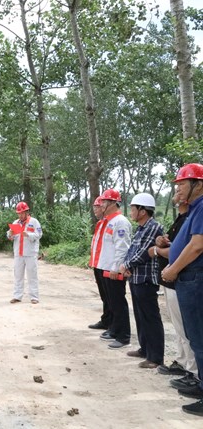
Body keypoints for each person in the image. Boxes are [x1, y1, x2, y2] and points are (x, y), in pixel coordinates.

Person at [162, 163, 203, 416]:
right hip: (189, 278)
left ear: (198, 185)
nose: (178, 189)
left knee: (199, 336)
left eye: (182, 184)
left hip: (194, 277)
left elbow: (197, 245)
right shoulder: (195, 209)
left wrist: (173, 268)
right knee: (194, 335)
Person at [153, 197, 197, 383]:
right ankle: (182, 362)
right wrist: (160, 242)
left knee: (187, 329)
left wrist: (157, 251)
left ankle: (193, 371)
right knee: (179, 328)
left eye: (181, 186)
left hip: (180, 279)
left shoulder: (191, 218)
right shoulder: (181, 219)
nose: (177, 191)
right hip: (171, 281)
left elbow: (182, 251)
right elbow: (174, 245)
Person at [119, 193, 164, 368]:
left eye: (133, 209)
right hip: (136, 277)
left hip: (146, 279)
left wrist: (126, 265)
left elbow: (144, 252)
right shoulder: (140, 228)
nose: (131, 212)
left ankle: (155, 357)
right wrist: (126, 264)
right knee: (140, 316)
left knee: (150, 317)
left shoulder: (153, 227)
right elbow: (132, 250)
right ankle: (145, 349)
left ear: (143, 211)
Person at [94, 189, 133, 349]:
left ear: (112, 203)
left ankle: (123, 336)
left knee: (118, 302)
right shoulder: (107, 221)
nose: (101, 204)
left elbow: (122, 247)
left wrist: (116, 268)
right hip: (105, 267)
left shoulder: (120, 222)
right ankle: (114, 329)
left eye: (103, 202)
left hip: (113, 269)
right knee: (111, 301)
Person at [6, 202, 43, 304]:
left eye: (22, 213)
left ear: (27, 212)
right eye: (19, 213)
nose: (20, 215)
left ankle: (34, 297)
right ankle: (17, 296)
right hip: (18, 253)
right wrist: (10, 234)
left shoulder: (34, 222)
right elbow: (10, 236)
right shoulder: (15, 223)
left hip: (30, 253)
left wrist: (28, 234)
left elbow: (39, 234)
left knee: (32, 276)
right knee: (18, 276)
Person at [88, 197, 112, 331]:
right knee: (104, 295)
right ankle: (106, 320)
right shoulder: (100, 223)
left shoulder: (111, 223)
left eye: (97, 207)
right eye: (94, 208)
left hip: (106, 264)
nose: (95, 210)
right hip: (98, 263)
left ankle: (112, 324)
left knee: (110, 296)